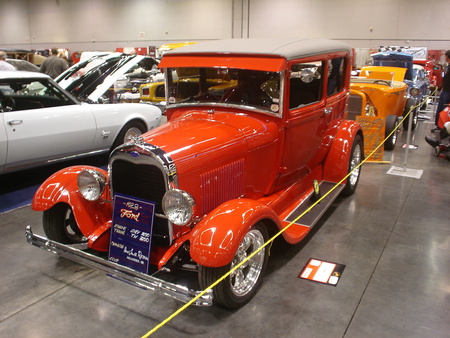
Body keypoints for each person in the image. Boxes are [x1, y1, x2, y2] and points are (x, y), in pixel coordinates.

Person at [433, 50, 450, 132]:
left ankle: (444, 128)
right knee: (440, 108)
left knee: (445, 109)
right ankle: (439, 126)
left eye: (445, 56)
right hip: (445, 90)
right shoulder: (447, 66)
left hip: (448, 92)